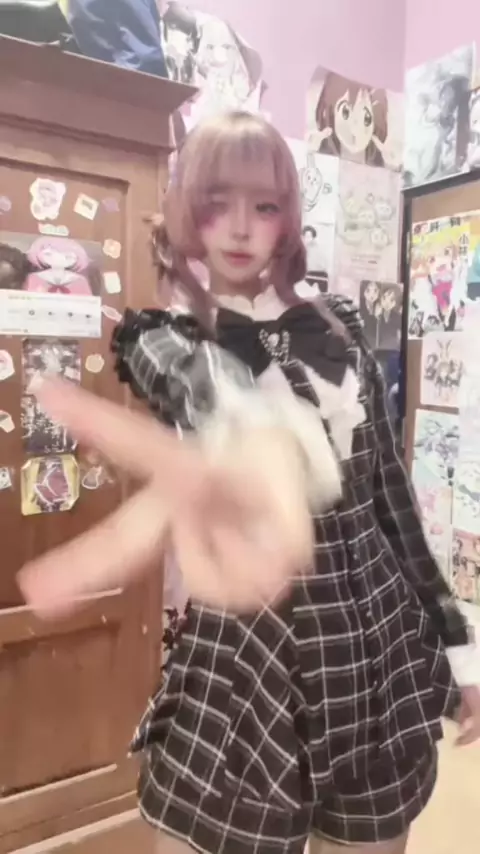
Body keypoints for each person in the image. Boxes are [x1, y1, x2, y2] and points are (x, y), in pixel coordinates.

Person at [19, 112, 480, 854]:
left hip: (373, 648)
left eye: (263, 205)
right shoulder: (165, 336)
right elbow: (192, 381)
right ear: (187, 214)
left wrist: (457, 647)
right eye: (216, 202)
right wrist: (245, 427)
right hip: (249, 652)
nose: (240, 227)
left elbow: (393, 502)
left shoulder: (342, 327)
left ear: (288, 218)